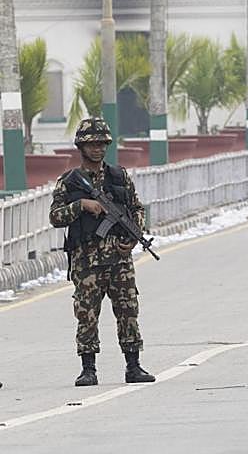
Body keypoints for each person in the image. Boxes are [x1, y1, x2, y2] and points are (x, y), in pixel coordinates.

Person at [48, 118, 156, 387]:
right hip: (87, 262)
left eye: (101, 144)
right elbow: (56, 216)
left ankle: (133, 366)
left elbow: (137, 209)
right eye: (91, 144)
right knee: (87, 315)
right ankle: (88, 370)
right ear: (81, 147)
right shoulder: (70, 182)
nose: (97, 148)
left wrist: (133, 237)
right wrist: (82, 205)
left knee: (128, 311)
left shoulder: (119, 177)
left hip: (119, 261)